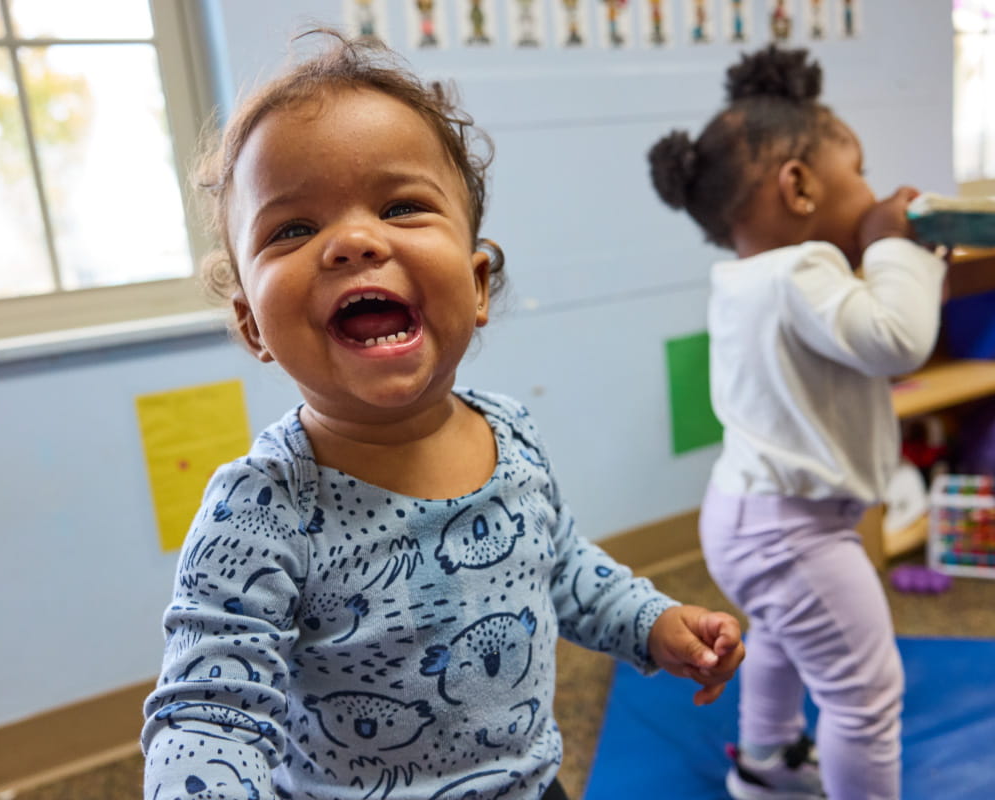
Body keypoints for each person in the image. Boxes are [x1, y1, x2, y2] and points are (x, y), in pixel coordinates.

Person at [141, 30, 746, 800]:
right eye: (293, 229)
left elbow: (558, 567)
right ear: (254, 326)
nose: (354, 241)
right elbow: (209, 709)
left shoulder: (511, 433)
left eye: (400, 206)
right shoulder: (259, 509)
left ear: (479, 283)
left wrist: (651, 624)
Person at [647, 45, 947, 800]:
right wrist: (890, 244)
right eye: (862, 174)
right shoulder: (801, 271)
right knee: (865, 694)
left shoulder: (752, 278)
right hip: (791, 530)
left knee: (779, 641)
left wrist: (885, 254)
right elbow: (899, 341)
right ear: (801, 186)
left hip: (752, 517)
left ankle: (766, 764)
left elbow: (862, 334)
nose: (872, 193)